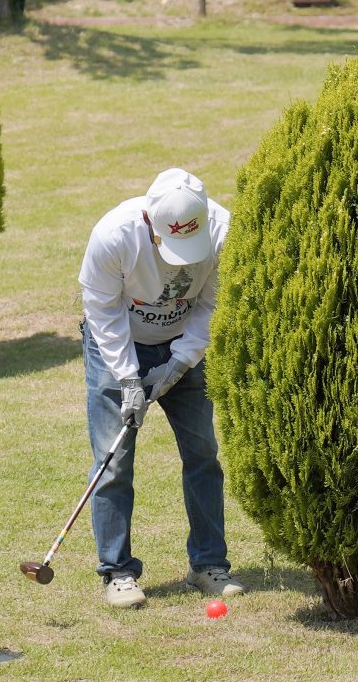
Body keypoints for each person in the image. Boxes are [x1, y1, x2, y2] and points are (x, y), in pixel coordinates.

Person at [78, 169, 243, 608]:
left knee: (203, 452)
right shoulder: (114, 235)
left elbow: (213, 304)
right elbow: (102, 311)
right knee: (113, 461)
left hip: (183, 344)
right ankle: (117, 572)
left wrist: (179, 362)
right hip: (117, 344)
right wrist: (128, 377)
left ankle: (208, 564)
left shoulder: (223, 232)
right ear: (150, 221)